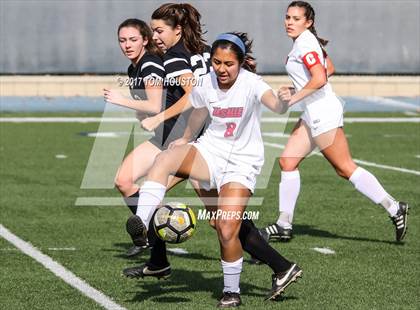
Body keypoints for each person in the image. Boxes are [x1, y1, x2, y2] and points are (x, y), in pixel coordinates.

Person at [124, 32, 302, 308]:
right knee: (165, 159)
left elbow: (276, 107)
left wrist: (284, 99)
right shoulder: (207, 81)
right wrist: (185, 138)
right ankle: (144, 225)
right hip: (211, 151)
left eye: (229, 64)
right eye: (217, 62)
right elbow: (198, 107)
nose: (221, 69)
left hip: (241, 163)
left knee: (226, 227)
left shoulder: (253, 84)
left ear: (241, 63)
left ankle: (232, 292)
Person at [260, 1, 408, 242]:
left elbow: (319, 79)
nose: (289, 22)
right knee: (287, 162)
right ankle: (283, 224)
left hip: (322, 112)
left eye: (296, 19)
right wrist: (298, 87)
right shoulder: (306, 41)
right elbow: (329, 67)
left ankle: (394, 208)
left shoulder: (305, 42)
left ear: (308, 22)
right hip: (313, 112)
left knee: (344, 168)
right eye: (287, 17)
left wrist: (294, 96)